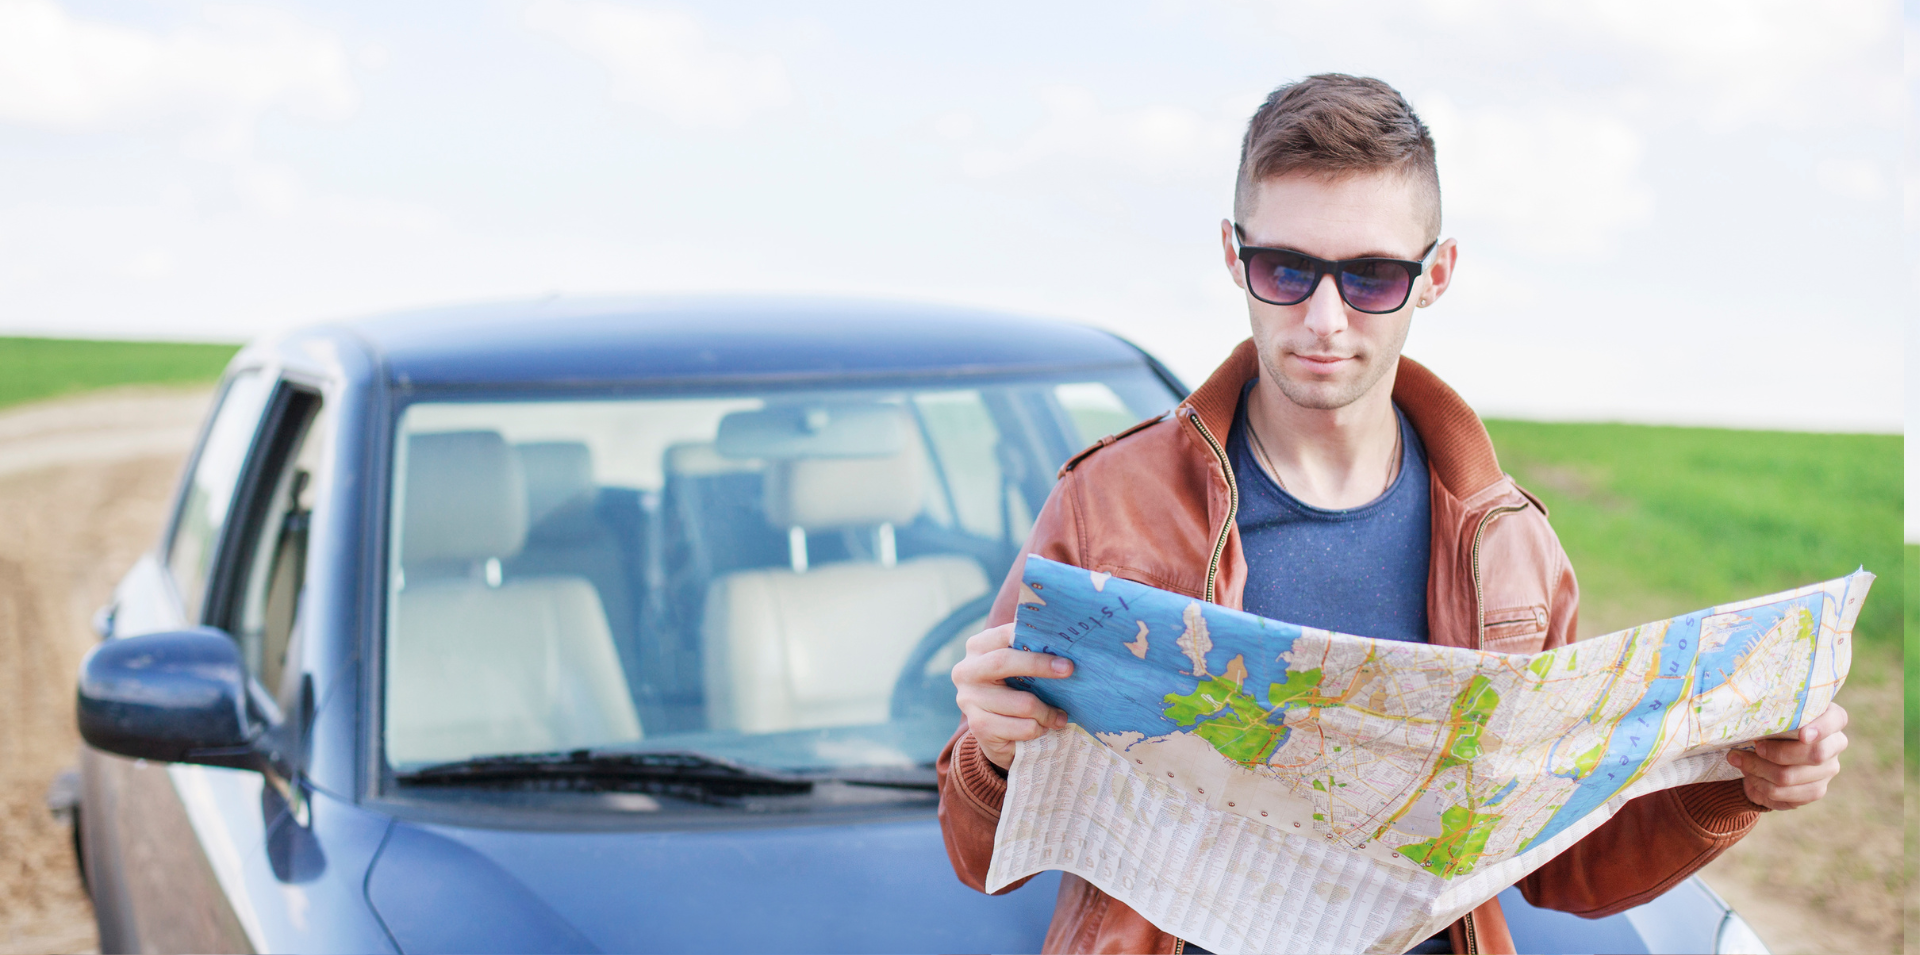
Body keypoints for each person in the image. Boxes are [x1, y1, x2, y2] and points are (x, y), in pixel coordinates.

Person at [936, 74, 1849, 955]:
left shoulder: (1508, 545)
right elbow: (980, 856)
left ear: (1435, 273)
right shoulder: (1109, 505)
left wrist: (1742, 783)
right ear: (1233, 255)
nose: (1325, 319)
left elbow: (1564, 867)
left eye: (1371, 276)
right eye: (1286, 267)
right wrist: (996, 751)